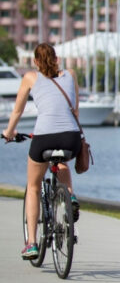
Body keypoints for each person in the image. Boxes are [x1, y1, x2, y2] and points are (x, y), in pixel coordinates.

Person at [2, 43, 82, 260]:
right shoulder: (71, 74)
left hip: (44, 137)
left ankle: (32, 244)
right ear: (56, 59)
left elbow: (18, 110)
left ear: (35, 61)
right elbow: (75, 109)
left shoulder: (30, 77)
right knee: (62, 159)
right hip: (71, 136)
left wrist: (9, 133)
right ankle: (70, 195)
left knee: (33, 187)